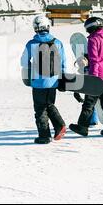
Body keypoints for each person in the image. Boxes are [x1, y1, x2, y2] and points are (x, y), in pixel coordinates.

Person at [70, 17, 103, 137]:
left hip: (97, 76)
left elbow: (94, 60)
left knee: (89, 103)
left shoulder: (93, 39)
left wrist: (93, 77)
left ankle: (82, 127)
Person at [21, 15, 68, 144]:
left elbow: (24, 62)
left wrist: (31, 70)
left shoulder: (32, 44)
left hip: (38, 82)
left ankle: (44, 136)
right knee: (50, 104)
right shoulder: (57, 42)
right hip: (53, 81)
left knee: (40, 108)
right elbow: (63, 62)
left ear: (35, 28)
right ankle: (59, 125)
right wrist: (62, 77)